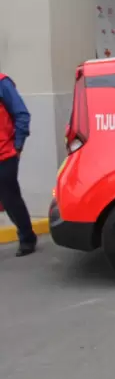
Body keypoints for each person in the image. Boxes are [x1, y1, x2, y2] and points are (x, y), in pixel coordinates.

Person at [0, 73, 36, 257]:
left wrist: (17, 146)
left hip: (4, 154)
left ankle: (27, 237)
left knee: (10, 199)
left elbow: (22, 114)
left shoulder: (2, 83)